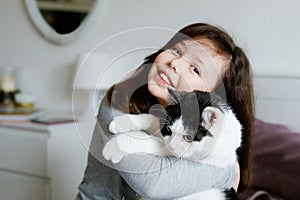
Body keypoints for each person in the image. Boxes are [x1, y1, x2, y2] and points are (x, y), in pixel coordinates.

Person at [76, 23, 254, 200]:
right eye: (177, 51)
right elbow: (153, 184)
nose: (175, 63)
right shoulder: (121, 103)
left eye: (195, 69)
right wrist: (227, 173)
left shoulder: (208, 135)